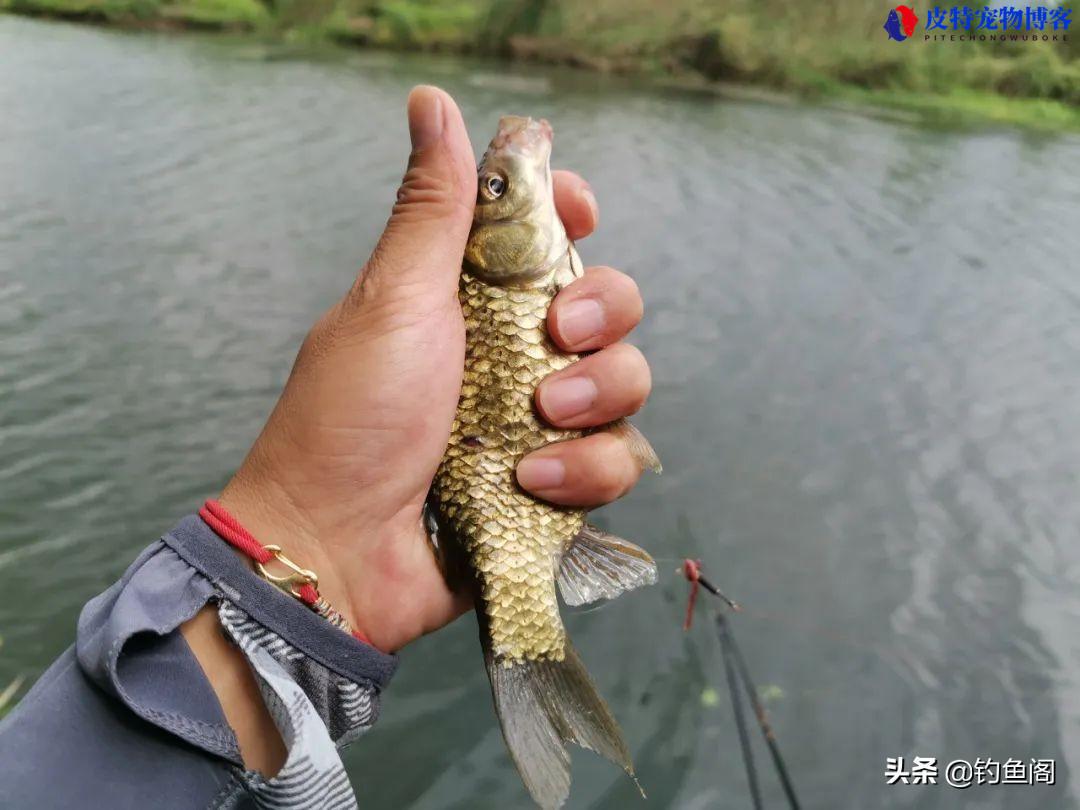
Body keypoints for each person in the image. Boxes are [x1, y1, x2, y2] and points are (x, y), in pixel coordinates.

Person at [0, 85, 654, 808]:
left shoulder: (500, 275)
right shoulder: (485, 274)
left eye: (493, 188)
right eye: (496, 188)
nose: (505, 179)